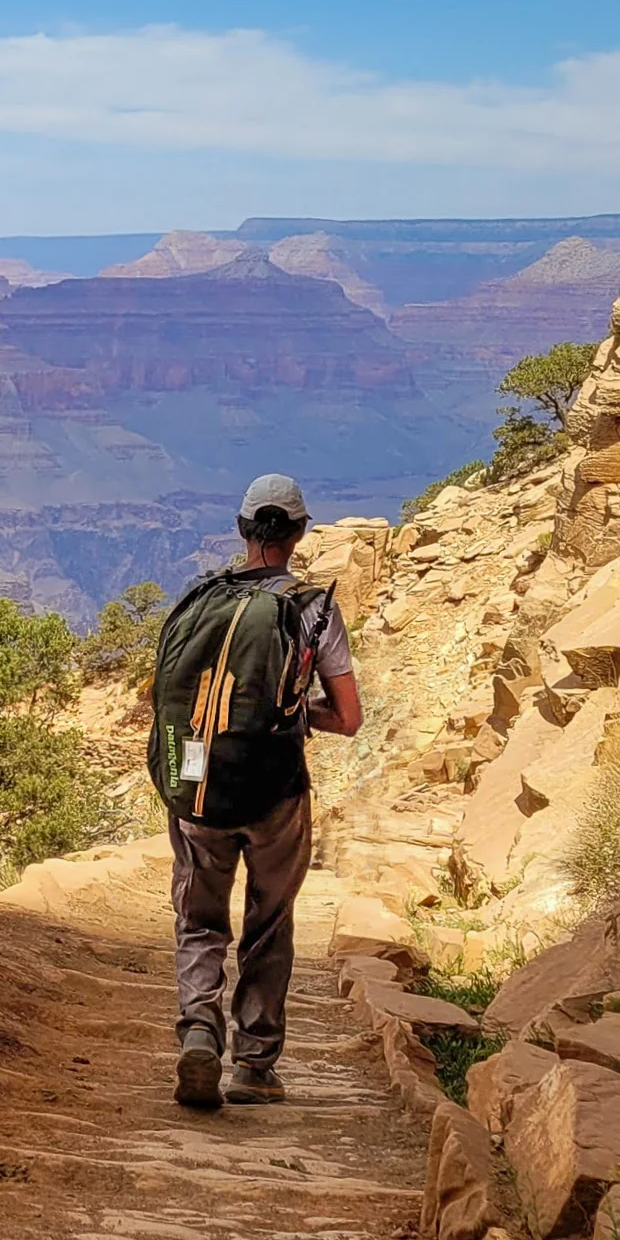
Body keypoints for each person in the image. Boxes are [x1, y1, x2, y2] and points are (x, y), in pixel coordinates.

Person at [163, 473, 361, 1108]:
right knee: (268, 922)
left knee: (199, 917)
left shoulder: (199, 599)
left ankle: (198, 1029)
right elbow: (349, 718)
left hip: (196, 786)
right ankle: (254, 1064)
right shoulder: (314, 611)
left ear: (244, 530)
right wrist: (299, 717)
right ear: (299, 534)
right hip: (275, 792)